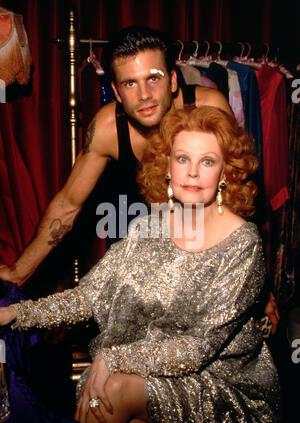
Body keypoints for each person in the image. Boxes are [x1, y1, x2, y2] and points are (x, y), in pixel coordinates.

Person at [0, 107, 280, 423]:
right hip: (149, 374)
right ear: (167, 167)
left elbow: (198, 349)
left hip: (221, 385)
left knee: (112, 387)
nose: (192, 173)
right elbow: (90, 296)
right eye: (182, 159)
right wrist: (18, 313)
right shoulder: (146, 229)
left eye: (207, 161)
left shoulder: (242, 244)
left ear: (225, 173)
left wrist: (114, 357)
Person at [0, 26, 231, 287]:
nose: (144, 95)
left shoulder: (209, 109)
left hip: (208, 245)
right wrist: (19, 271)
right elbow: (67, 205)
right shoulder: (107, 129)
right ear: (117, 92)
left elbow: (238, 194)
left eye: (153, 78)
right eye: (130, 83)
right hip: (141, 248)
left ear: (173, 80)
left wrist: (253, 280)